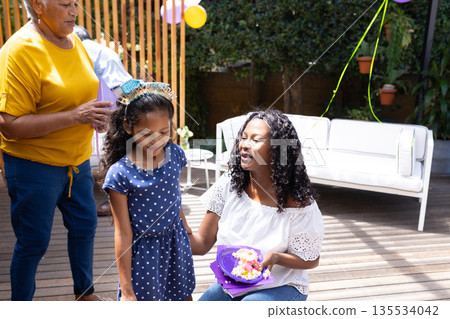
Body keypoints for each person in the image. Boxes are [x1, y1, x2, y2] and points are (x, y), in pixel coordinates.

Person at [0, 0, 113, 301]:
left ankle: (85, 293)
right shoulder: (19, 50)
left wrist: (96, 117)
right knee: (33, 241)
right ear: (38, 5)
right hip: (33, 165)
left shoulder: (74, 40)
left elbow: (84, 92)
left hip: (76, 163)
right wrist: (77, 116)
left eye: (75, 3)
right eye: (65, 4)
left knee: (85, 227)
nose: (74, 10)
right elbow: (10, 125)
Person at [187, 109, 324, 301]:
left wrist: (276, 258)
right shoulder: (229, 184)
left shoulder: (298, 203)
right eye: (243, 138)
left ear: (278, 149)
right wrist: (179, 222)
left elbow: (312, 260)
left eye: (255, 140)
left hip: (281, 286)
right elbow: (201, 244)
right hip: (233, 283)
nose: (244, 145)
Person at [99, 82, 195, 301]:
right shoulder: (120, 174)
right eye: (146, 134)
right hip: (144, 257)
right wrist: (126, 291)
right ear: (128, 126)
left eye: (163, 132)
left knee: (184, 297)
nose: (156, 141)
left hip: (176, 245)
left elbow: (174, 196)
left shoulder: (175, 154)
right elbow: (123, 233)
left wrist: (186, 228)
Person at [73, 24, 132, 216]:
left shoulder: (82, 50)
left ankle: (113, 204)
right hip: (128, 99)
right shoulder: (102, 50)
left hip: (116, 100)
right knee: (122, 155)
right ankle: (119, 201)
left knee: (113, 155)